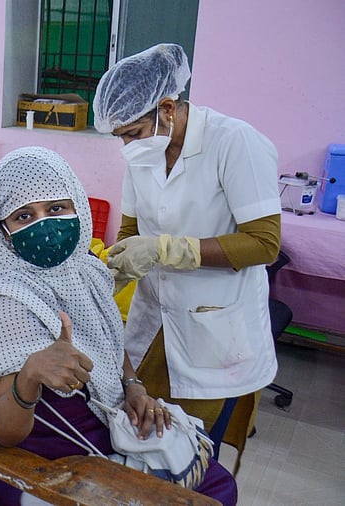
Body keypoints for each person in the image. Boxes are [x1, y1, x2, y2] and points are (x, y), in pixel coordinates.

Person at [0, 147, 237, 506]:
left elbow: (109, 344)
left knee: (216, 485)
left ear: (77, 207)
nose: (44, 224)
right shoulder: (6, 301)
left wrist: (133, 388)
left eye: (56, 209)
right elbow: (6, 434)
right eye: (25, 216)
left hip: (104, 430)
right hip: (40, 466)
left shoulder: (85, 271)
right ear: (4, 232)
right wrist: (31, 373)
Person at [92, 43, 280, 438]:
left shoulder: (234, 142)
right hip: (152, 316)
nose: (128, 146)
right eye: (121, 137)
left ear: (167, 108)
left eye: (134, 133)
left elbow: (264, 243)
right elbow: (130, 233)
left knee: (192, 444)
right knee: (141, 434)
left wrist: (167, 249)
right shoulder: (145, 152)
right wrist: (105, 277)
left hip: (213, 323)